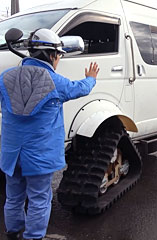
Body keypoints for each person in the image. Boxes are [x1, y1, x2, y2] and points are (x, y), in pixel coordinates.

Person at [0, 28, 99, 240]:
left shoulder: (4, 77)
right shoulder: (56, 82)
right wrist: (91, 78)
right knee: (38, 198)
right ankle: (33, 237)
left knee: (14, 196)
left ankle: (13, 232)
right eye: (59, 56)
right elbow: (80, 88)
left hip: (11, 153)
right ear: (52, 55)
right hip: (39, 155)